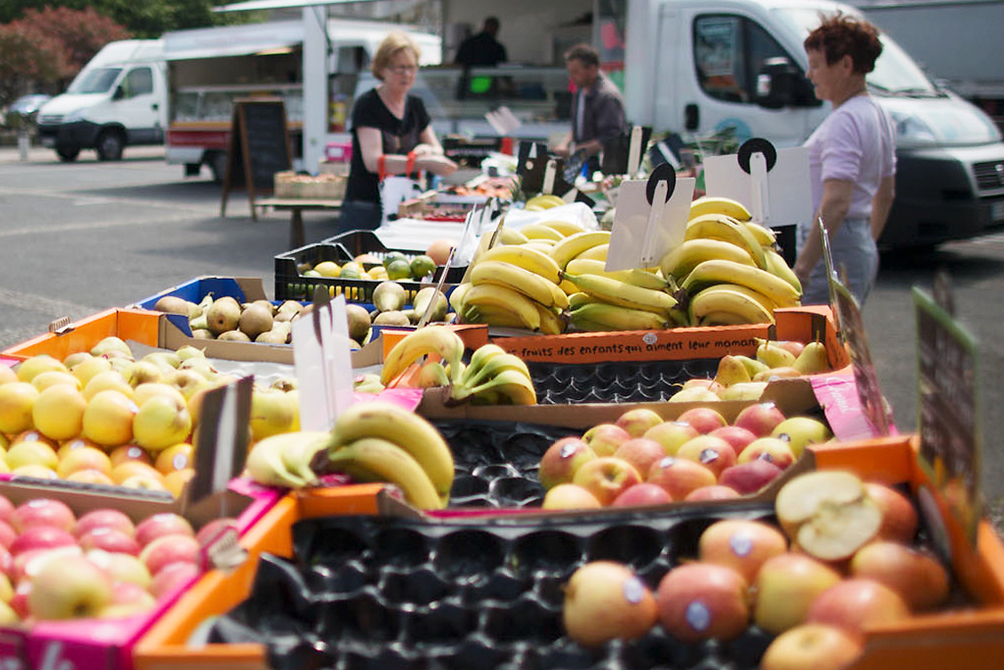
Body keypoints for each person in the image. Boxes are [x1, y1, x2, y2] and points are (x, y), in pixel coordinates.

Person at [793, 12, 896, 306]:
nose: (809, 74)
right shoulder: (878, 114)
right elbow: (885, 194)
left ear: (845, 65)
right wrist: (865, 244)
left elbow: (836, 202)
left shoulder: (845, 120)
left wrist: (803, 268)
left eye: (815, 65)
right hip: (857, 241)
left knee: (818, 343)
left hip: (832, 247)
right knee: (845, 341)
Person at [341, 31, 458, 231]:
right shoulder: (368, 104)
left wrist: (425, 149)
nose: (407, 74)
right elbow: (373, 162)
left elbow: (436, 148)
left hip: (406, 203)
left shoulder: (415, 105)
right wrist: (421, 162)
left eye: (412, 67)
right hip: (367, 205)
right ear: (382, 69)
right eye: (400, 68)